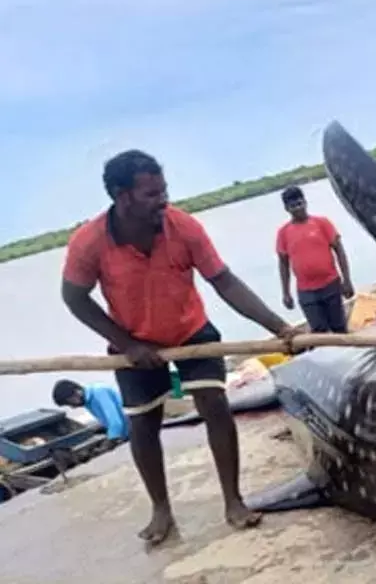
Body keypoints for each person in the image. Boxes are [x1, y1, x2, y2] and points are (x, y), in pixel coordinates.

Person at [60, 150, 300, 545]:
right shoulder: (89, 242)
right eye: (152, 194)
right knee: (142, 423)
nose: (163, 200)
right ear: (122, 198)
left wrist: (279, 327)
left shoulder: (183, 227)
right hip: (132, 341)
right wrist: (127, 344)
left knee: (215, 407)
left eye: (164, 190)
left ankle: (234, 501)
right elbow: (75, 298)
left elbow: (224, 281)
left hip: (191, 331)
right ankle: (161, 509)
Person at [276, 186, 355, 332]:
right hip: (306, 291)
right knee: (319, 331)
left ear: (305, 202)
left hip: (330, 284)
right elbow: (283, 264)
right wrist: (286, 293)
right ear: (287, 208)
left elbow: (340, 251)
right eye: (293, 206)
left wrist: (347, 281)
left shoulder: (322, 223)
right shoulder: (283, 233)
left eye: (300, 204)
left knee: (339, 327)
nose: (298, 208)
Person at [52, 379, 129, 442]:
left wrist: (111, 440)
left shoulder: (99, 392)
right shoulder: (88, 402)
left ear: (77, 392)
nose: (72, 407)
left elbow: (115, 422)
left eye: (70, 402)